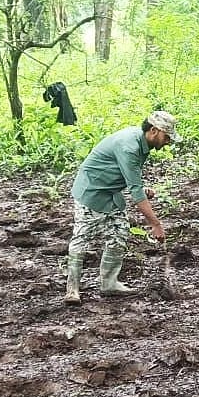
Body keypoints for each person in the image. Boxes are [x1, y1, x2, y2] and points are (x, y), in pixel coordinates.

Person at [64, 111, 182, 304]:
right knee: (81, 238)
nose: (168, 141)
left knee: (119, 234)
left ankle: (109, 284)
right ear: (153, 131)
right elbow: (136, 193)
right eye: (166, 136)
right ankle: (72, 289)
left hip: (111, 194)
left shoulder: (140, 142)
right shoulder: (129, 146)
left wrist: (141, 189)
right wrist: (155, 224)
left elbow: (128, 176)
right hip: (91, 192)